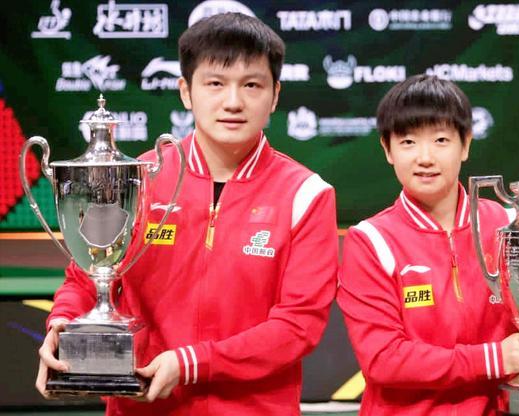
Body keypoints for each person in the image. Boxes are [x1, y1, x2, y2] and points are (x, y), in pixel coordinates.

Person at [36, 13, 338, 415]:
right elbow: (88, 276)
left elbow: (298, 327)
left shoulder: (307, 195)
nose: (233, 102)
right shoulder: (137, 177)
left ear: (275, 95)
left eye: (251, 85)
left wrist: (191, 363)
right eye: (215, 83)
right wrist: (62, 325)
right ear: (185, 91)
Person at [336, 74, 519, 415]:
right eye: (408, 142)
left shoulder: (512, 227)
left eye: (441, 140)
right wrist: (493, 359)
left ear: (466, 144)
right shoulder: (371, 241)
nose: (425, 157)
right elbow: (383, 359)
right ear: (387, 149)